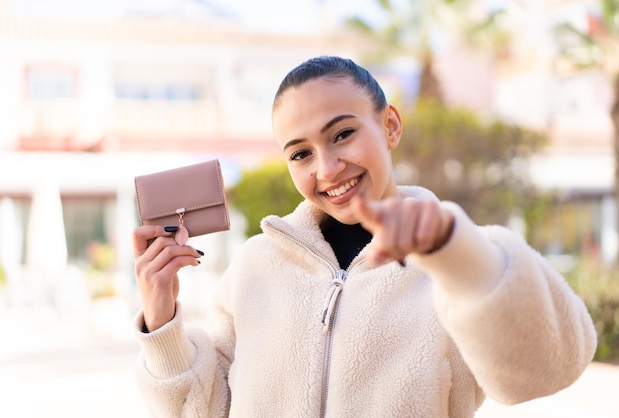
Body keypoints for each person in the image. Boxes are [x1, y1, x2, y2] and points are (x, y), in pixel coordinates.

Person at [132, 56, 597, 417]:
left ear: (390, 126)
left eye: (343, 134)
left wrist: (458, 256)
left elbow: (546, 369)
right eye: (300, 154)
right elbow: (204, 410)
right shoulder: (255, 266)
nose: (327, 169)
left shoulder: (457, 259)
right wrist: (161, 318)